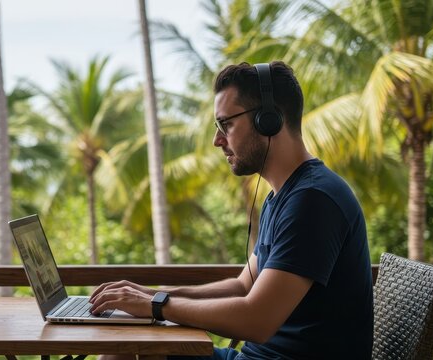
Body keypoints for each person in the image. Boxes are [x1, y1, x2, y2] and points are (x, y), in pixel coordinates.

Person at [89, 61, 373, 359]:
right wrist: (148, 295)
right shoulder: (283, 197)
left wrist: (156, 305)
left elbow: (257, 320)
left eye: (227, 124)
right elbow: (242, 286)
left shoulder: (313, 200)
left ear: (269, 120)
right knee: (125, 345)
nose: (217, 140)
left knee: (127, 349)